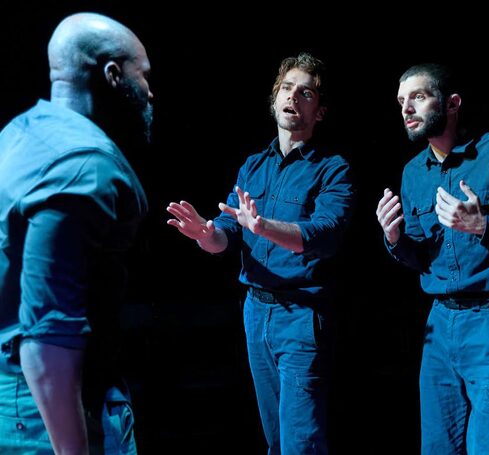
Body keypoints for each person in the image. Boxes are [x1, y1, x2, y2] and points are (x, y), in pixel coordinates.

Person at [166, 52, 353, 454]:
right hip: (256, 311)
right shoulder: (254, 165)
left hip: (302, 315)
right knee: (274, 439)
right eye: (287, 88)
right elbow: (227, 235)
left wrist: (263, 226)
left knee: (300, 442)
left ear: (319, 112)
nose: (293, 97)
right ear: (274, 99)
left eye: (306, 93)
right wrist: (205, 233)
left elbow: (325, 233)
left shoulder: (333, 169)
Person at [376, 63, 489, 454]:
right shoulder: (413, 173)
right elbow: (421, 256)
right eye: (401, 101)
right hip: (439, 325)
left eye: (418, 97)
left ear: (452, 103)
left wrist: (484, 226)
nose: (407, 109)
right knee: (439, 446)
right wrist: (394, 238)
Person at [0, 12, 152, 455]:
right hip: (46, 425)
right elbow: (48, 336)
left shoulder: (16, 136)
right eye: (143, 76)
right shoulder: (84, 166)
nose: (150, 92)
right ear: (112, 76)